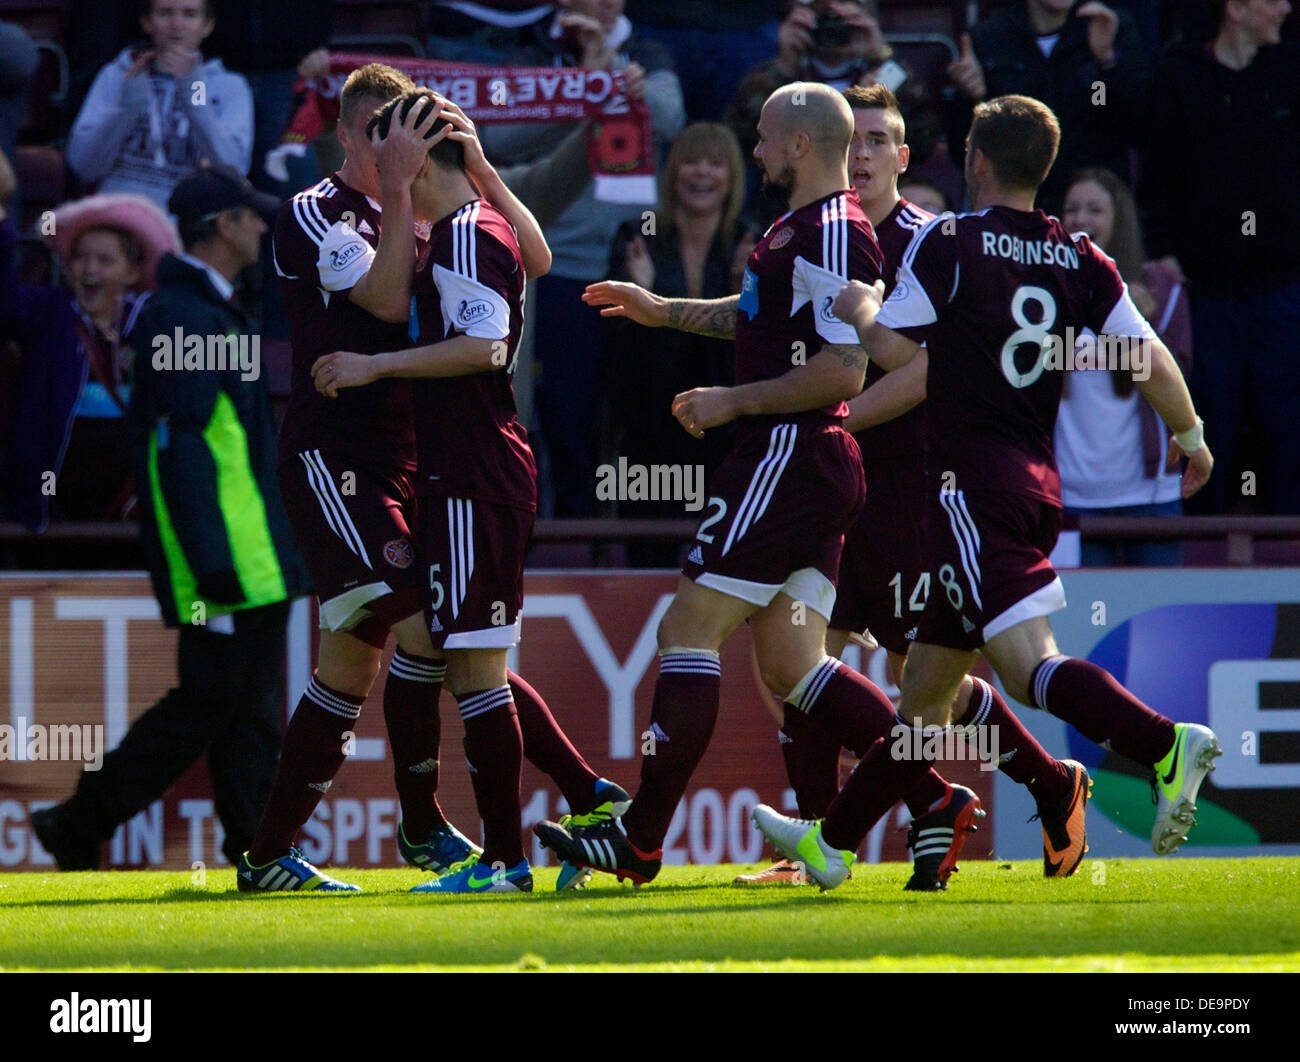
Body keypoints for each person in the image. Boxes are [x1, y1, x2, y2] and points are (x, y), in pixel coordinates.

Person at [755, 95, 1222, 891]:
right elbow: (1147, 360)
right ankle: (830, 846)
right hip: (1036, 485)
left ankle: (1164, 744)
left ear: (974, 160)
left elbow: (899, 350)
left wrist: (860, 305)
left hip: (968, 492)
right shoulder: (1081, 256)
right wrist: (1191, 438)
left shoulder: (951, 242)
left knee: (1030, 668)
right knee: (924, 697)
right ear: (1046, 169)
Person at [530, 83, 978, 891]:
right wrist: (660, 309)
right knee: (794, 667)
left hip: (788, 457)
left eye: (767, 139)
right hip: (808, 466)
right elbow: (759, 317)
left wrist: (733, 400)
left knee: (686, 632)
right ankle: (932, 797)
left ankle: (641, 836)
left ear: (801, 145)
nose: (759, 151)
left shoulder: (836, 232)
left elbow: (843, 370)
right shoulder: (797, 227)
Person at [739, 84, 1087, 887]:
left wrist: (834, 418)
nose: (859, 154)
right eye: (850, 138)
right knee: (802, 667)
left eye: (878, 141)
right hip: (836, 485)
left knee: (921, 679)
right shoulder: (823, 231)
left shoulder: (934, 241)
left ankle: (1034, 783)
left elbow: (931, 371)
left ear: (903, 158)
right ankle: (829, 841)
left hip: (910, 488)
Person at [312, 89, 630, 894]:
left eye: (385, 152)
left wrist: (373, 365)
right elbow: (544, 258)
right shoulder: (480, 224)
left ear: (413, 158)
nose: (373, 166)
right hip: (466, 473)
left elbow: (486, 347)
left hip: (473, 472)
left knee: (479, 673)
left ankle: (504, 861)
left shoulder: (459, 235)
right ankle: (561, 810)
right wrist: (485, 169)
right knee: (448, 656)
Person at [31, 164, 310, 871]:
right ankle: (83, 818)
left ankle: (258, 851)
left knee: (239, 709)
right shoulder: (183, 316)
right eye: (251, 217)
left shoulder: (202, 310)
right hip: (222, 561)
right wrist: (206, 561)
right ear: (222, 227)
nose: (261, 227)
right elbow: (174, 449)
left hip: (245, 556)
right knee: (212, 704)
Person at [1140, 0, 1299, 514]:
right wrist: (1163, 254)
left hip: (1283, 288)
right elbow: (1158, 176)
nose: (1284, 8)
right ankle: (1204, 546)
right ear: (1235, 7)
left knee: (1287, 423)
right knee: (1213, 418)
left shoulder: (1290, 71)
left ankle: (1287, 552)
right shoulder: (1178, 74)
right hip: (1206, 291)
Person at [604, 122, 749, 564]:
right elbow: (622, 355)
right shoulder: (637, 235)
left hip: (728, 430)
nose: (701, 172)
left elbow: (745, 355)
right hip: (650, 429)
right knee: (649, 557)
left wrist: (742, 288)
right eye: (690, 160)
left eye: (715, 163)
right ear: (672, 172)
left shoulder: (750, 239)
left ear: (733, 176)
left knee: (726, 561)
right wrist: (642, 296)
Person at [4, 192, 179, 531]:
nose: (90, 269)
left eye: (105, 260)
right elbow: (6, 306)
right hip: (53, 499)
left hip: (133, 501)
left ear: (132, 273)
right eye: (81, 258)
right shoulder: (51, 313)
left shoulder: (154, 322)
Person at [1056, 167, 1192, 565]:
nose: (1081, 219)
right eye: (1071, 209)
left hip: (1151, 496)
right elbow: (1029, 363)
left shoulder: (1161, 286)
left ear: (1121, 219)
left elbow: (1170, 372)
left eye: (1095, 209)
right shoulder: (1043, 288)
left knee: (1163, 625)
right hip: (1071, 498)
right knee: (1080, 627)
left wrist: (1127, 316)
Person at [944, 0, 1151, 214]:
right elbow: (965, 155)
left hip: (1089, 211)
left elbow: (1134, 128)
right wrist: (971, 100)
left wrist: (1107, 65)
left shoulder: (1109, 26)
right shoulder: (988, 38)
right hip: (1020, 209)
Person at [726, 0, 942, 184]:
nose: (832, 23)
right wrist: (784, 67)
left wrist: (880, 57)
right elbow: (742, 145)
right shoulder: (777, 77)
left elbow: (923, 142)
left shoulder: (887, 75)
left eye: (844, 11)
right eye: (823, 12)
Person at [66, 0, 254, 209]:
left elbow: (234, 174)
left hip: (186, 220)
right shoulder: (117, 74)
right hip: (118, 211)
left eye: (189, 15)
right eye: (164, 13)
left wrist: (193, 97)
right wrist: (128, 106)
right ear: (147, 22)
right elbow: (84, 167)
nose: (176, 25)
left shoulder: (228, 85)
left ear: (207, 26)